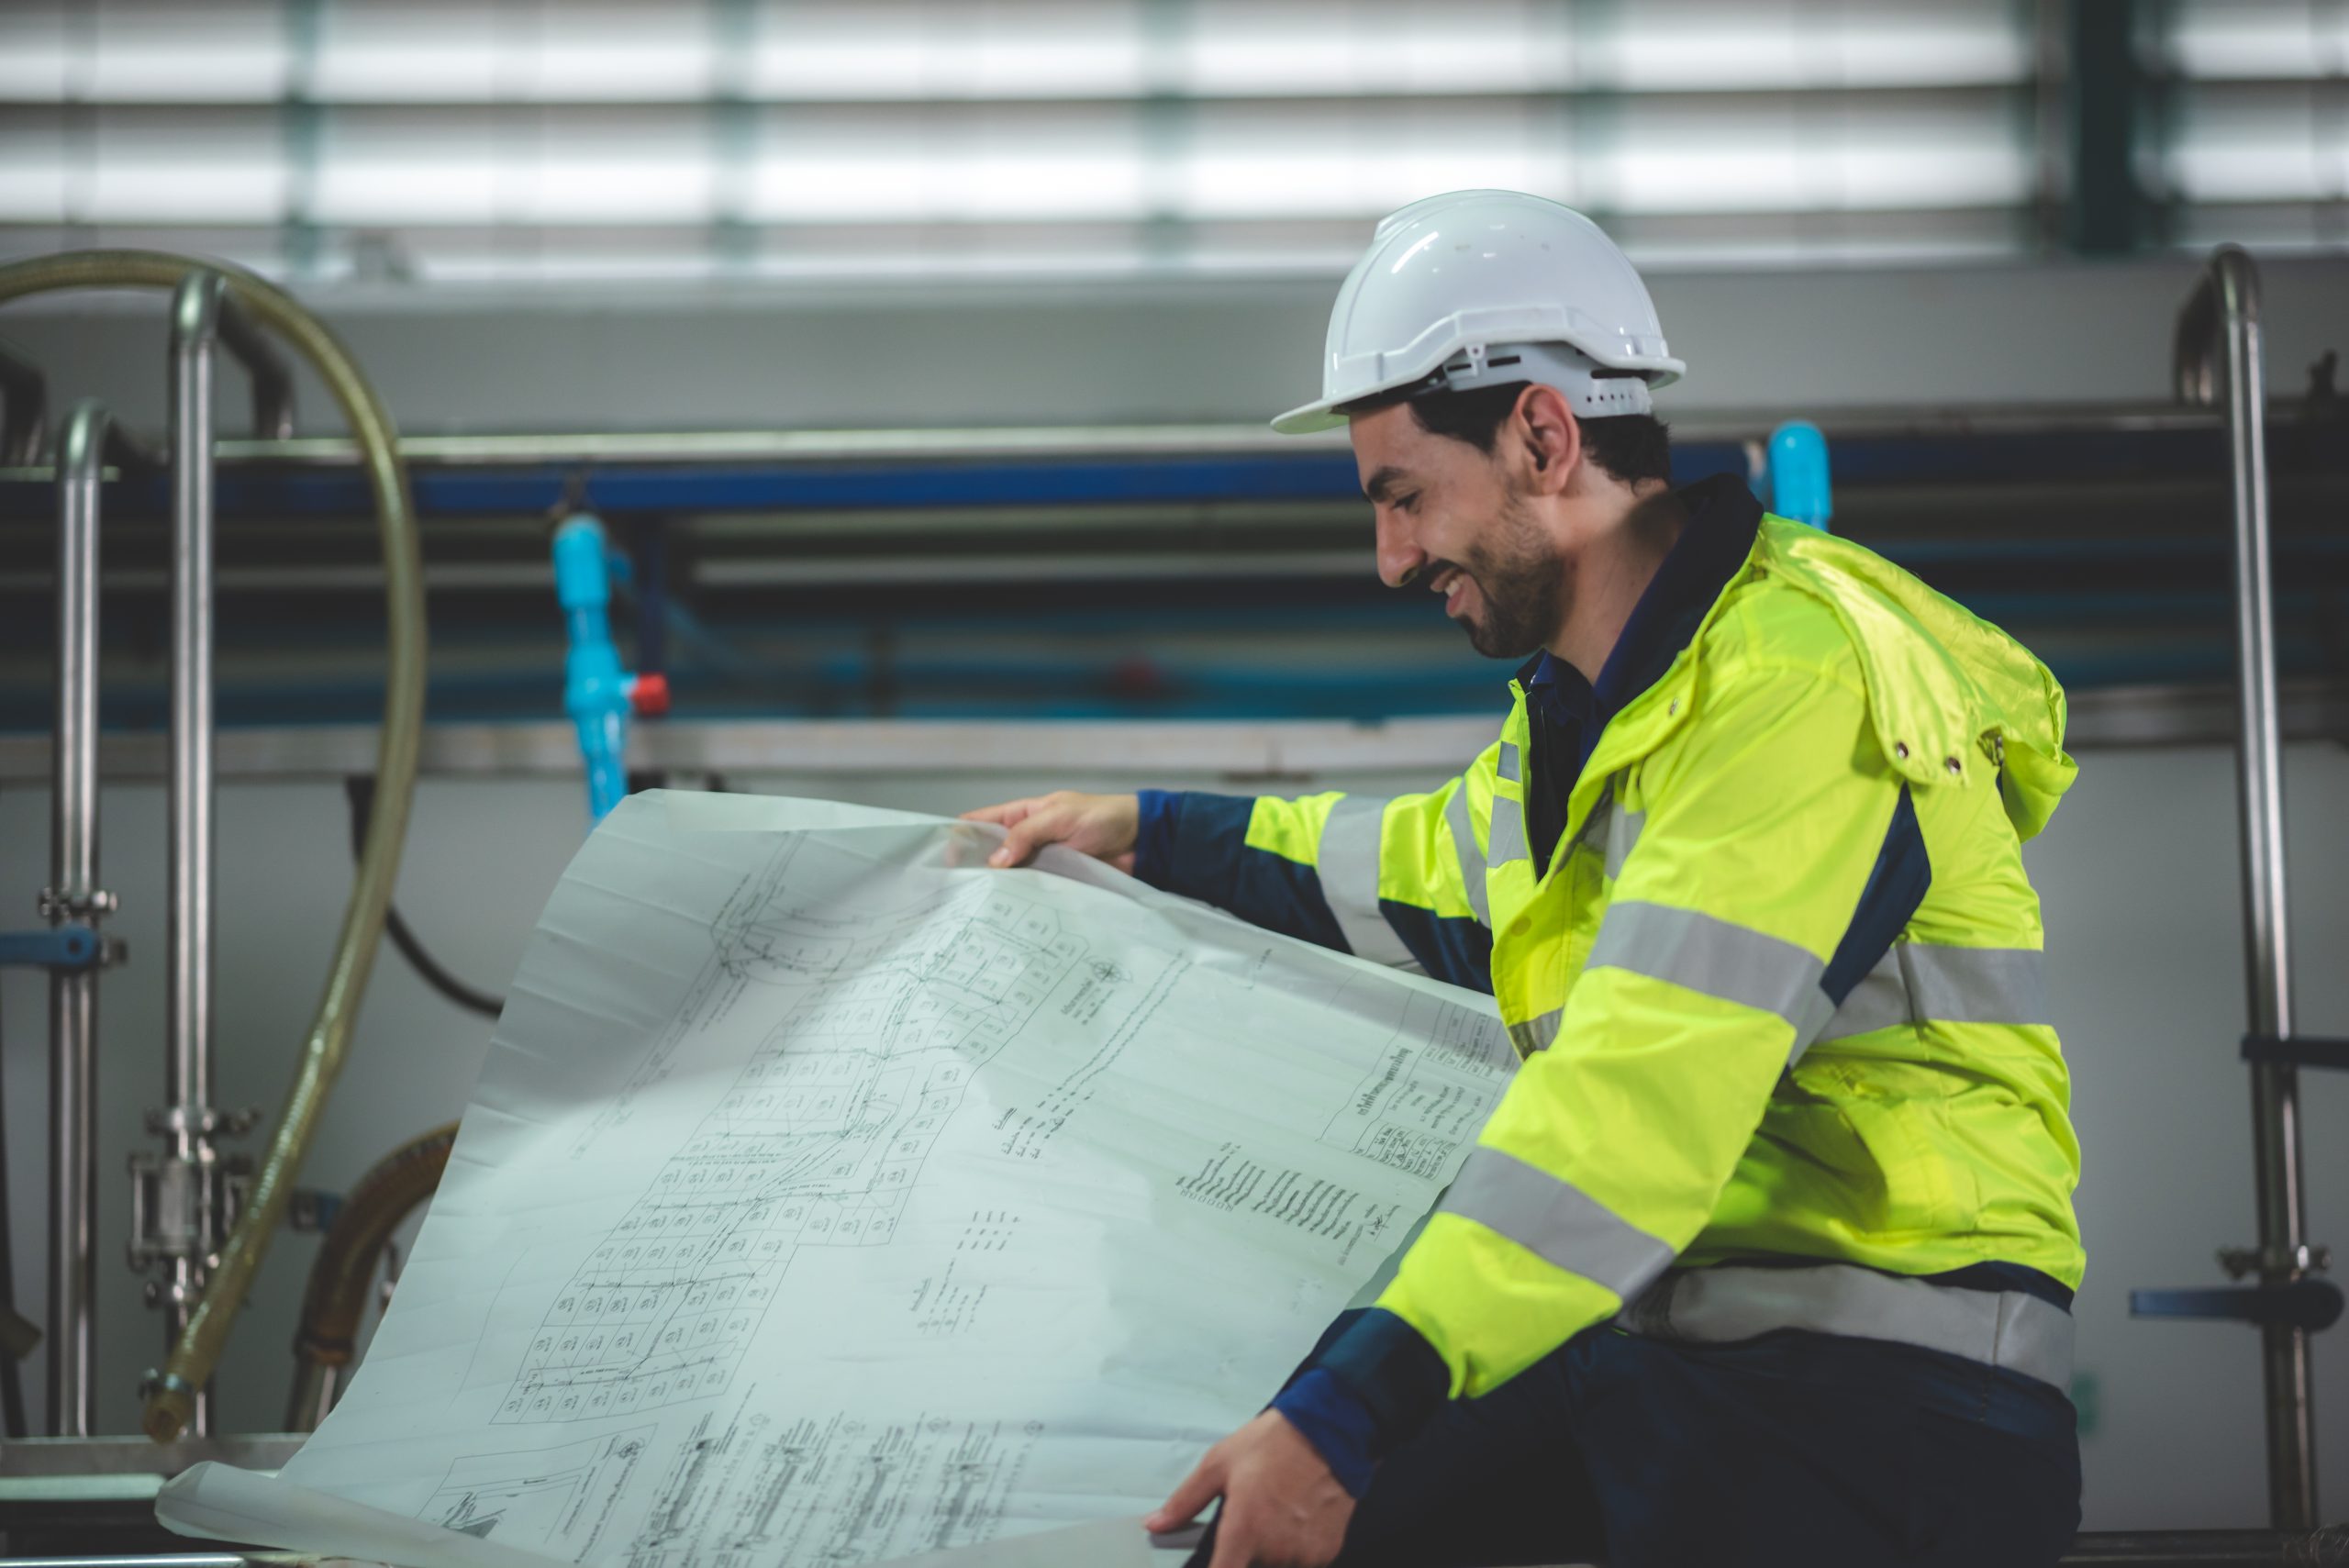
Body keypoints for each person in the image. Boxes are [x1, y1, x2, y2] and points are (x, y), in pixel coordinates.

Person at [964, 190, 2084, 1568]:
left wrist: (1343, 1414)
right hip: (1688, 1364)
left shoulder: (1798, 684)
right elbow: (1409, 871)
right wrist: (1140, 827)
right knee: (1260, 1539)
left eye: (1403, 495)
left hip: (1893, 1398)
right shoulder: (1580, 726)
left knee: (1331, 1466)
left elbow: (1634, 1105)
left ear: (1543, 436)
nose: (1389, 559)